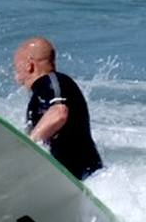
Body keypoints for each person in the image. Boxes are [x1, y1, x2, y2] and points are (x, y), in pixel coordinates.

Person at [13, 36, 103, 180]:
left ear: (29, 65)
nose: (16, 77)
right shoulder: (42, 91)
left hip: (84, 177)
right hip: (73, 178)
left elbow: (59, 113)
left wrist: (27, 146)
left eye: (16, 68)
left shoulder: (51, 82)